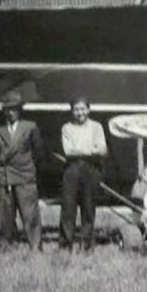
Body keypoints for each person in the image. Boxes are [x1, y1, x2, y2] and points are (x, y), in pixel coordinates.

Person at [0, 90, 45, 250]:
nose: (11, 112)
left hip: (25, 175)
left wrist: (28, 167)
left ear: (20, 110)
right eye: (8, 109)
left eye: (14, 108)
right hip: (6, 176)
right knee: (6, 215)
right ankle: (8, 244)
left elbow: (39, 152)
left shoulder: (30, 127)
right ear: (4, 111)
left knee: (30, 213)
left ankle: (35, 245)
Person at [59, 96, 108, 250]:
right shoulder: (66, 128)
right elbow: (68, 152)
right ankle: (66, 244)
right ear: (72, 111)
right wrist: (90, 150)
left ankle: (86, 245)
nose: (79, 112)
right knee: (68, 208)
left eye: (82, 109)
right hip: (72, 170)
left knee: (88, 208)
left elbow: (102, 149)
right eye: (76, 109)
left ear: (88, 109)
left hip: (91, 170)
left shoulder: (97, 127)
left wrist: (81, 151)